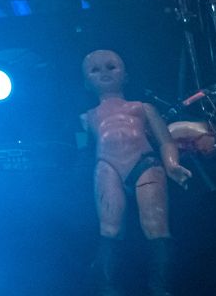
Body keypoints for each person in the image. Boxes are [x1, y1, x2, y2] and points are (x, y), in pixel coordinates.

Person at [80, 49, 191, 296]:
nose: (104, 73)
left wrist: (171, 164)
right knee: (110, 227)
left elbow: (165, 140)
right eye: (95, 70)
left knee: (155, 225)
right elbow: (81, 150)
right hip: (107, 165)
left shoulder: (142, 108)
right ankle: (107, 289)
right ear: (87, 82)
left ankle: (160, 289)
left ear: (126, 75)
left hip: (144, 162)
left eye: (111, 66)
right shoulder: (87, 117)